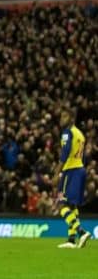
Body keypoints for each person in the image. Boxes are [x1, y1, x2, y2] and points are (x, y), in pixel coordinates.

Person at [53, 106, 91, 249]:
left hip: (70, 171)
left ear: (71, 118)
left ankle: (81, 232)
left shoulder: (67, 132)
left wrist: (57, 173)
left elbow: (65, 152)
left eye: (64, 116)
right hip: (80, 169)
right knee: (72, 206)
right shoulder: (80, 134)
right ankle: (71, 240)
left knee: (61, 204)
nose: (61, 119)